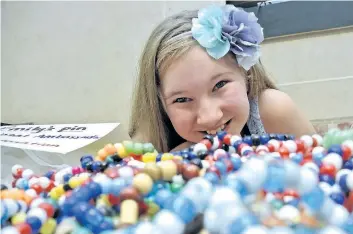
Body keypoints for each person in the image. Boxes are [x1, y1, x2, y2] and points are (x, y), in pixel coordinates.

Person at [128, 4, 315, 152]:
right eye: (182, 100)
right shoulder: (151, 142)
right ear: (159, 101)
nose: (210, 117)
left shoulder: (274, 111)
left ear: (246, 74)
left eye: (220, 85)